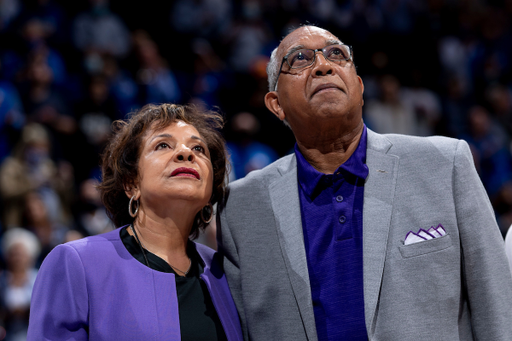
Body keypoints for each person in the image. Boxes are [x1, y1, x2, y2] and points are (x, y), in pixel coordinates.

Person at [217, 25, 512, 341]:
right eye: (300, 59)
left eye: (337, 54)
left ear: (358, 88)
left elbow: (497, 307)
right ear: (276, 104)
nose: (323, 65)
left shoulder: (444, 163)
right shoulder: (241, 207)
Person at [27, 103, 243, 340]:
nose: (186, 153)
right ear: (131, 183)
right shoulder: (77, 264)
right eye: (163, 145)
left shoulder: (227, 273)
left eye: (199, 148)